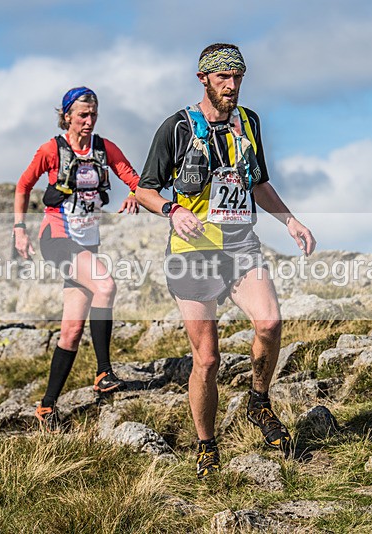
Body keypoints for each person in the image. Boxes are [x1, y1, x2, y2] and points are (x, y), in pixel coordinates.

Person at [136, 44, 316, 478]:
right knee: (209, 359)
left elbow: (259, 183)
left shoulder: (248, 122)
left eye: (238, 77)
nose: (232, 86)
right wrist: (172, 211)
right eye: (223, 78)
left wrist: (290, 221)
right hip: (191, 256)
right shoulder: (176, 128)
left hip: (240, 247)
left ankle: (258, 402)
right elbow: (145, 189)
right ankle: (206, 444)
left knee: (270, 324)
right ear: (203, 79)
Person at [14, 86, 140, 432]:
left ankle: (45, 407)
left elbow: (135, 178)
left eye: (93, 115)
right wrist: (19, 229)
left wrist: (134, 194)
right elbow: (23, 186)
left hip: (88, 243)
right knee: (105, 284)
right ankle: (103, 372)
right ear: (67, 115)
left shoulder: (104, 148)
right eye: (82, 115)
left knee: (70, 331)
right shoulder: (51, 150)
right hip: (56, 238)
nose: (89, 121)